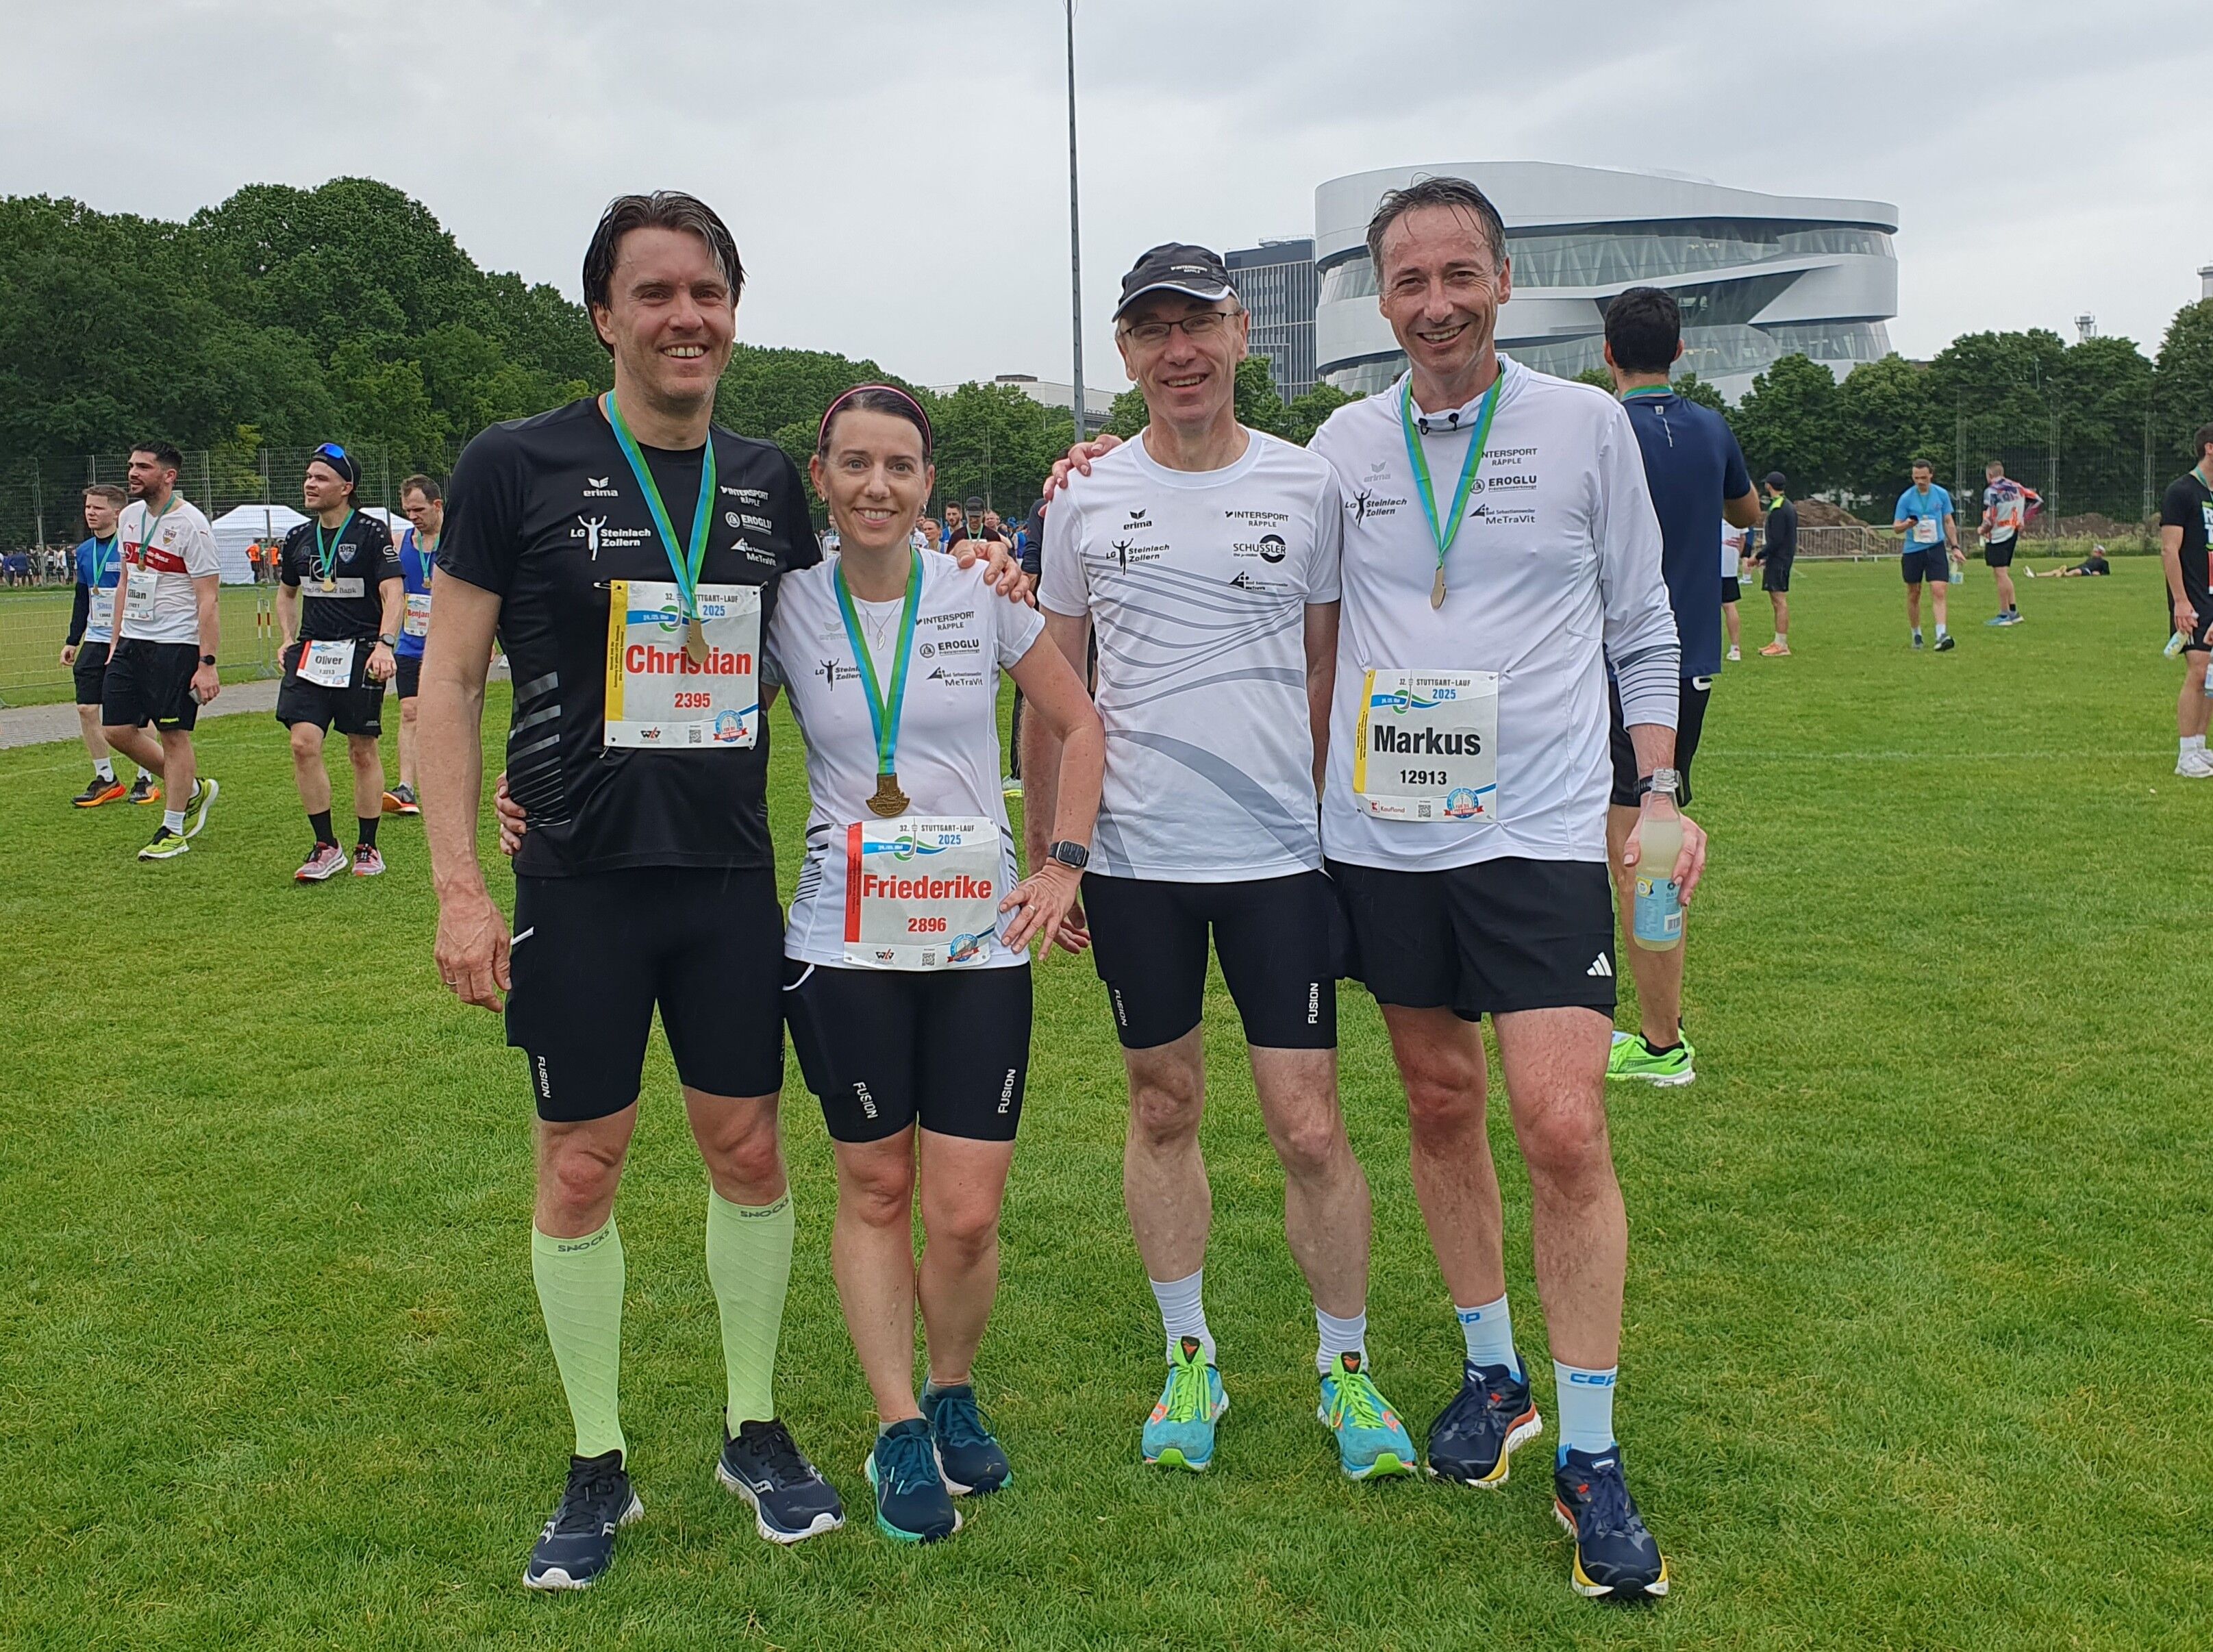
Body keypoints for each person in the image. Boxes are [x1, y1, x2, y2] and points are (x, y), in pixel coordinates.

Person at [1046, 179, 1704, 1602]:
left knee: (1563, 1124)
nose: (1434, 302)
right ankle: (1489, 1378)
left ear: (1502, 282)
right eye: (1408, 282)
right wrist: (1081, 471)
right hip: (1383, 836)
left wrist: (1654, 790)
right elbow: (1195, 484)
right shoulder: (1341, 446)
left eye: (1457, 274)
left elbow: (1645, 619)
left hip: (1530, 829)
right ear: (1381, 302)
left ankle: (1588, 1456)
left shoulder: (1586, 427)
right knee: (1437, 1105)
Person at [424, 192, 1022, 1591]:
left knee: (749, 1151)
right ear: (604, 315)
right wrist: (459, 884)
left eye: (707, 293)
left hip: (728, 883)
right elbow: (447, 682)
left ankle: (755, 1429)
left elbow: (863, 609)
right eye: (655, 294)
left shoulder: (764, 482)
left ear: (732, 315)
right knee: (580, 1162)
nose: (683, 317)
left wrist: (992, 562)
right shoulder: (515, 464)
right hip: (574, 878)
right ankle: (596, 1461)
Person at [1025, 242, 1418, 1486]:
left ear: (1241, 332)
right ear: (1127, 353)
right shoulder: (1082, 497)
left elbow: (1325, 670)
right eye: (1150, 331)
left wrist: (1319, 827)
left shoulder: (1307, 488)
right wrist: (1055, 855)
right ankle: (1188, 1352)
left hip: (1278, 862)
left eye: (1196, 324)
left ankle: (1345, 1367)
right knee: (1163, 1102)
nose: (1177, 351)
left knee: (1308, 1124)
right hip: (1136, 860)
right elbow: (1054, 690)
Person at [771, 385, 1103, 1542]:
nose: (877, 485)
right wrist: (548, 797)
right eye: (855, 463)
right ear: (822, 474)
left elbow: (1080, 722)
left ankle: (954, 1386)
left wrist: (1063, 860)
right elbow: (699, 726)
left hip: (974, 943)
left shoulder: (981, 592)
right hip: (841, 942)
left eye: (900, 466)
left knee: (964, 1211)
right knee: (876, 1187)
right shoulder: (784, 607)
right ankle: (898, 1419)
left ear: (928, 483)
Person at [1600, 286, 1760, 1090]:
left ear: (1606, 355)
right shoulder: (1710, 427)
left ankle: (1663, 1045)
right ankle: (1645, 1029)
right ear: (1682, 351)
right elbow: (1749, 507)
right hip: (1690, 657)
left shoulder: (1600, 431)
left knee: (1640, 849)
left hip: (1616, 660)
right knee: (1638, 837)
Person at [275, 444, 402, 881]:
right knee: (302, 744)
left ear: (346, 487)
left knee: (361, 750)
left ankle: (368, 845)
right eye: (309, 476)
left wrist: (386, 645)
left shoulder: (371, 533)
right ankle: (326, 845)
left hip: (362, 651)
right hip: (311, 653)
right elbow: (287, 593)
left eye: (321, 478)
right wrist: (288, 640)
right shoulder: (297, 537)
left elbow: (393, 593)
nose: (310, 484)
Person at [101, 442, 221, 862]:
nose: (132, 473)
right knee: (115, 730)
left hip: (176, 644)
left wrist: (207, 663)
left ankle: (173, 828)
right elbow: (125, 583)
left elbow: (208, 599)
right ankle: (190, 788)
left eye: (143, 467)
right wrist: (115, 640)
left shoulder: (193, 525)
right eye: (131, 464)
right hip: (132, 641)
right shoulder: (129, 517)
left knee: (173, 735)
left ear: (168, 476)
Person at [60, 483, 159, 808]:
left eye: (98, 508)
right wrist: (73, 640)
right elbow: (82, 597)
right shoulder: (85, 551)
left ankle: (146, 779)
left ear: (117, 512)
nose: (91, 513)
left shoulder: (132, 546)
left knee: (138, 717)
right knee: (87, 708)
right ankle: (106, 778)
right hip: (97, 639)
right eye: (88, 507)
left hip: (132, 638)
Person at [384, 474, 444, 816]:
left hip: (448, 644)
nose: (413, 517)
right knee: (409, 712)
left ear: (437, 505)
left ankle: (445, 781)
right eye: (408, 510)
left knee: (449, 715)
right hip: (409, 643)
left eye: (419, 509)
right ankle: (406, 787)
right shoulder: (399, 542)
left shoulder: (456, 541)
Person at [2160, 423, 2213, 778]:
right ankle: (2185, 754)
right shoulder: (2182, 491)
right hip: (2192, 596)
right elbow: (2169, 549)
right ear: (2210, 448)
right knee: (2198, 669)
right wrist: (2180, 601)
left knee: (2212, 674)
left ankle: (2199, 746)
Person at [1894, 459, 1962, 650]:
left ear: (1931, 474)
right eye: (1916, 478)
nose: (1920, 481)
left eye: (1924, 477)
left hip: (1936, 548)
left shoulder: (1941, 495)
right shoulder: (1906, 498)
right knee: (1914, 593)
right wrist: (1907, 525)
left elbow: (1948, 521)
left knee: (1939, 590)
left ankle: (1941, 634)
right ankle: (1916, 633)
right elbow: (1896, 527)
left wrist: (1955, 546)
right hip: (1913, 551)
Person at [1978, 460, 2034, 626]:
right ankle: (2013, 612)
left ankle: (2004, 615)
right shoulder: (2017, 487)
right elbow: (2037, 500)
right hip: (2012, 532)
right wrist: (2024, 518)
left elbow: (1990, 515)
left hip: (1997, 535)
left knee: (2001, 575)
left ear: (1989, 475)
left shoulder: (1992, 491)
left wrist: (1982, 529)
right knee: (2003, 573)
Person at [1750, 473, 1796, 655]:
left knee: (1779, 601)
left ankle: (1782, 645)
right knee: (1777, 601)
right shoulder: (1787, 505)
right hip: (1781, 557)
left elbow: (1776, 540)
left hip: (1779, 559)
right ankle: (1778, 641)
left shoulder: (1778, 508)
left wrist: (1758, 556)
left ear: (1769, 486)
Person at [1721, 521, 1747, 662]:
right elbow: (1742, 539)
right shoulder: (1736, 509)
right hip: (1729, 565)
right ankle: (1735, 648)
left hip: (1711, 564)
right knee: (1729, 605)